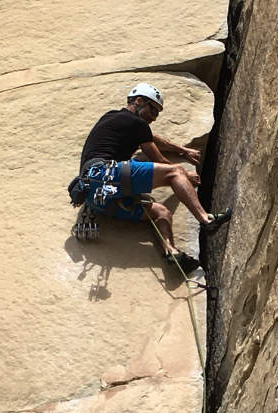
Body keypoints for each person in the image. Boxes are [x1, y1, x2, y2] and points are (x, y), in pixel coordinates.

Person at [73, 83, 231, 274]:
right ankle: (206, 220)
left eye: (157, 113)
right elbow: (160, 160)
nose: (154, 117)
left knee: (161, 213)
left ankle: (171, 252)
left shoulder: (116, 119)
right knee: (175, 172)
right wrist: (184, 174)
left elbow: (153, 138)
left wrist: (182, 150)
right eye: (152, 109)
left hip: (97, 199)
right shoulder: (134, 122)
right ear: (138, 101)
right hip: (105, 175)